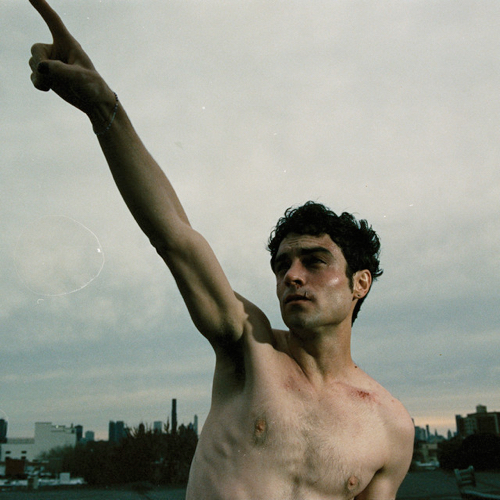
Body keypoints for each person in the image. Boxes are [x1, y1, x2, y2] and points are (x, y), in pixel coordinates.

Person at [28, 1, 415, 498]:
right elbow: (175, 237)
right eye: (282, 265)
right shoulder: (249, 348)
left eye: (314, 261)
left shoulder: (390, 426)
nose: (292, 275)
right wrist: (104, 107)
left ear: (361, 282)